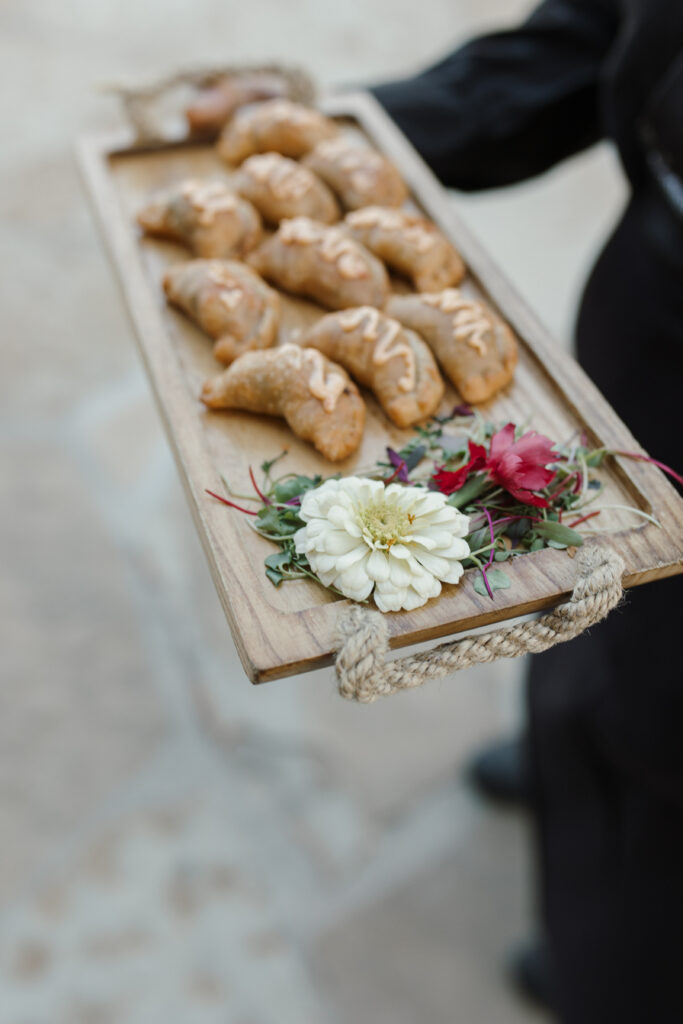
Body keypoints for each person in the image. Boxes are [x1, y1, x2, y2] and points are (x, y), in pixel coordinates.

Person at [370, 3, 683, 1022]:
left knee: (657, 724)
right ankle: (567, 755)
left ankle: (616, 969)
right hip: (652, 288)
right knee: (576, 588)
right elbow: (607, 21)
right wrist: (367, 128)